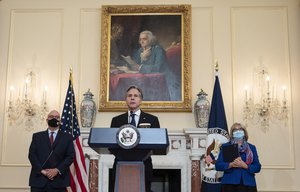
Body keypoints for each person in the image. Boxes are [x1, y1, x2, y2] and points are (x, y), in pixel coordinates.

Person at [110, 85, 160, 192]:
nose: (132, 98)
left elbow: (157, 143)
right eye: (129, 96)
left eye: (136, 96)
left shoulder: (152, 120)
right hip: (121, 164)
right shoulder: (116, 120)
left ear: (140, 100)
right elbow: (111, 144)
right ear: (126, 99)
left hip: (144, 164)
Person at [121, 30, 181, 101]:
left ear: (150, 40)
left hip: (166, 81)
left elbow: (158, 68)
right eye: (140, 39)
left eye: (144, 39)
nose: (141, 41)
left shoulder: (158, 49)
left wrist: (140, 67)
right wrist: (128, 65)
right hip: (148, 80)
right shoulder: (140, 51)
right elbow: (135, 65)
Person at [28, 110, 75, 192]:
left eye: (57, 117)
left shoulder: (67, 137)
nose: (54, 118)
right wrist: (42, 171)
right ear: (47, 120)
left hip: (59, 182)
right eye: (51, 117)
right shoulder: (37, 136)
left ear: (60, 121)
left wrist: (57, 170)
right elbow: (32, 155)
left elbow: (70, 156)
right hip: (39, 180)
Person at [215, 123, 261, 192]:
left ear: (244, 133)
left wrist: (245, 166)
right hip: (229, 184)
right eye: (235, 130)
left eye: (240, 129)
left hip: (248, 184)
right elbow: (218, 165)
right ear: (232, 133)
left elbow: (257, 167)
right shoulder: (225, 146)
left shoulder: (252, 148)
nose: (238, 131)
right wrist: (230, 164)